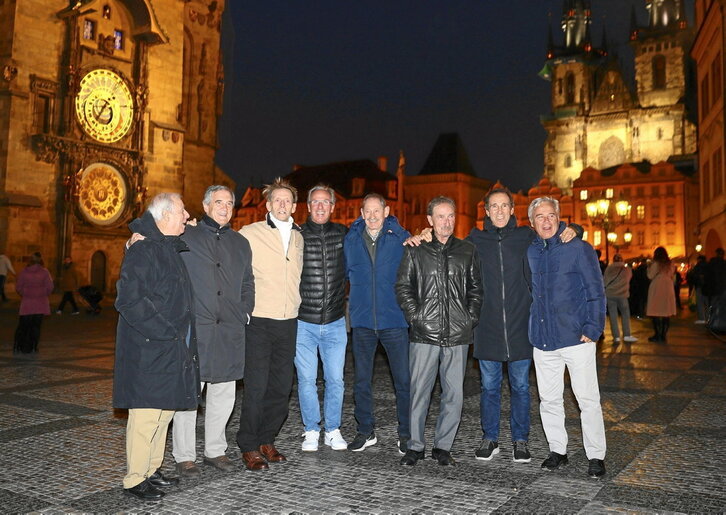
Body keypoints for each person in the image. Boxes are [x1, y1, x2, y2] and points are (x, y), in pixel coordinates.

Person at [465, 188, 579, 463]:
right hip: (488, 327)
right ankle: (490, 438)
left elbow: (553, 235)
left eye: (505, 206)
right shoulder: (475, 240)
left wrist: (574, 228)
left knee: (520, 387)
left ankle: (521, 441)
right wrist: (422, 235)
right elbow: (448, 250)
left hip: (520, 326)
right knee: (489, 387)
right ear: (487, 211)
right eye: (495, 206)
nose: (500, 211)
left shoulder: (526, 237)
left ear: (513, 210)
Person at [113, 193, 200, 501]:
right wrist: (166, 332)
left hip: (171, 347)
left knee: (164, 412)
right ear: (164, 216)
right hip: (151, 348)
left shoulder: (165, 246)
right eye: (182, 211)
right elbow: (129, 300)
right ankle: (135, 478)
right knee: (146, 415)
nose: (188, 216)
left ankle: (151, 470)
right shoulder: (143, 249)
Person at [171, 186, 255, 475]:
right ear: (206, 206)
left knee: (224, 393)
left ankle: (215, 450)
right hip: (197, 328)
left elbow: (247, 283)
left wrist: (245, 310)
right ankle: (184, 454)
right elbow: (160, 257)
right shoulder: (186, 236)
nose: (224, 207)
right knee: (189, 394)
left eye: (229, 203)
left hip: (230, 329)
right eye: (218, 202)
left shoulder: (241, 243)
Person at [395, 197, 482, 466]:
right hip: (424, 333)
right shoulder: (416, 249)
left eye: (451, 216)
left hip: (458, 333)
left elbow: (476, 289)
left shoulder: (467, 250)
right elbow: (403, 287)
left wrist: (469, 318)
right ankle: (415, 446)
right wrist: (416, 317)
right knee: (419, 391)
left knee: (454, 394)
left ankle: (443, 447)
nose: (447, 222)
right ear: (430, 220)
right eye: (441, 217)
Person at [527, 196, 607, 478]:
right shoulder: (531, 252)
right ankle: (557, 450)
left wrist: (593, 328)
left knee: (587, 399)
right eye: (540, 217)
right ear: (532, 223)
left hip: (577, 338)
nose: (546, 221)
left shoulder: (579, 248)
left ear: (559, 217)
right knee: (548, 400)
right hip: (543, 338)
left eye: (551, 215)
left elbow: (596, 290)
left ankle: (596, 455)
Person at [236, 177, 304, 471]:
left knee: (280, 387)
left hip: (288, 321)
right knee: (256, 386)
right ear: (267, 205)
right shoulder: (250, 233)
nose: (282, 204)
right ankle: (249, 445)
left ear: (294, 206)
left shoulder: (300, 237)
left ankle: (267, 438)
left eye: (287, 200)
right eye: (276, 200)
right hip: (260, 321)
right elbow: (221, 245)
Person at [344, 193, 411, 453]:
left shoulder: (401, 239)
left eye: (377, 211)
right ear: (361, 213)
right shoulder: (350, 239)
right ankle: (365, 430)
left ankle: (405, 433)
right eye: (367, 211)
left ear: (386, 212)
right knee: (361, 380)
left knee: (403, 380)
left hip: (394, 320)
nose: (372, 216)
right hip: (362, 321)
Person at [295, 185, 349, 452]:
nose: (319, 207)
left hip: (336, 321)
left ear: (332, 207)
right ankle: (311, 430)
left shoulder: (344, 233)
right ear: (307, 205)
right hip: (304, 321)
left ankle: (333, 429)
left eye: (325, 202)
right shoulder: (296, 234)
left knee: (335, 379)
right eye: (315, 202)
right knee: (306, 380)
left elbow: (377, 226)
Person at [14, 252, 53, 353]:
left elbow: (18, 287)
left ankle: (19, 346)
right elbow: (50, 287)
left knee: (23, 326)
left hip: (27, 302)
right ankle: (34, 347)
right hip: (40, 303)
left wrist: (26, 292)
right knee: (36, 327)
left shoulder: (24, 271)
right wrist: (42, 292)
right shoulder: (45, 272)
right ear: (40, 260)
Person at [603, 254, 637, 343]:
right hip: (623, 295)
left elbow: (605, 281)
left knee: (613, 316)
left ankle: (616, 336)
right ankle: (626, 334)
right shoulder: (627, 270)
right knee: (625, 315)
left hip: (610, 295)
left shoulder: (609, 269)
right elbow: (628, 280)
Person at [646, 246, 677, 343]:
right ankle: (663, 335)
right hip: (668, 285)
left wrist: (648, 267)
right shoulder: (670, 263)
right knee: (666, 312)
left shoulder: (655, 264)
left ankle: (657, 335)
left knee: (655, 311)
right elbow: (672, 274)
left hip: (657, 285)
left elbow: (650, 275)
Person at [688, 255, 708, 324]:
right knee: (707, 302)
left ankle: (702, 318)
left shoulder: (697, 266)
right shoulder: (708, 266)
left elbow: (693, 276)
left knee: (700, 303)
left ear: (699, 260)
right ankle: (709, 318)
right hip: (707, 287)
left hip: (699, 286)